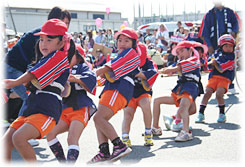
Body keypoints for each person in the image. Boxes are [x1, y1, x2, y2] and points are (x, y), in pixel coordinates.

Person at [3, 19, 74, 162]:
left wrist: (14, 82)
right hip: (30, 109)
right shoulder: (43, 60)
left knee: (19, 138)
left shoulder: (59, 57)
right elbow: (32, 83)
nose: (43, 43)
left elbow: (32, 75)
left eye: (49, 39)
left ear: (61, 43)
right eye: (41, 39)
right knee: (5, 144)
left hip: (45, 110)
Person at [88, 28, 141, 163]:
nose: (122, 43)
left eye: (126, 40)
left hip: (119, 87)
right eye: (119, 40)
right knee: (98, 119)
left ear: (133, 43)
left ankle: (119, 145)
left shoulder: (131, 52)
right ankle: (103, 151)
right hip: (112, 87)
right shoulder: (120, 54)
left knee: (100, 118)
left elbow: (109, 68)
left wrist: (91, 75)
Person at [46, 44, 97, 163]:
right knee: (50, 134)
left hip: (80, 108)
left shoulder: (82, 67)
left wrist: (76, 79)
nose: (66, 58)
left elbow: (91, 78)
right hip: (64, 109)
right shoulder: (61, 69)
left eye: (70, 55)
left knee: (71, 138)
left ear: (78, 57)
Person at [152, 41, 202, 141]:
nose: (180, 54)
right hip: (180, 88)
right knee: (157, 100)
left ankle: (186, 132)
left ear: (190, 50)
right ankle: (155, 128)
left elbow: (177, 68)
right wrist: (162, 70)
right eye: (178, 53)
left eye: (182, 51)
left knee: (184, 108)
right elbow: (172, 67)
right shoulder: (179, 62)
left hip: (190, 88)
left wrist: (167, 70)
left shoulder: (194, 60)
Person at [122, 43, 158, 147]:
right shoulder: (126, 61)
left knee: (146, 106)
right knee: (128, 114)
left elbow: (154, 72)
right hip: (130, 92)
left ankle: (148, 133)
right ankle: (125, 137)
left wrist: (138, 73)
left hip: (143, 91)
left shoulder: (149, 62)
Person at [195, 34, 236, 123]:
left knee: (219, 94)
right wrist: (206, 63)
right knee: (207, 93)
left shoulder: (232, 58)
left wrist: (215, 64)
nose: (229, 48)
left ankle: (222, 114)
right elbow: (209, 65)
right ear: (221, 46)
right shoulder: (216, 54)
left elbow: (221, 69)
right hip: (213, 77)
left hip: (224, 79)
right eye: (226, 46)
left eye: (230, 46)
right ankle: (201, 113)